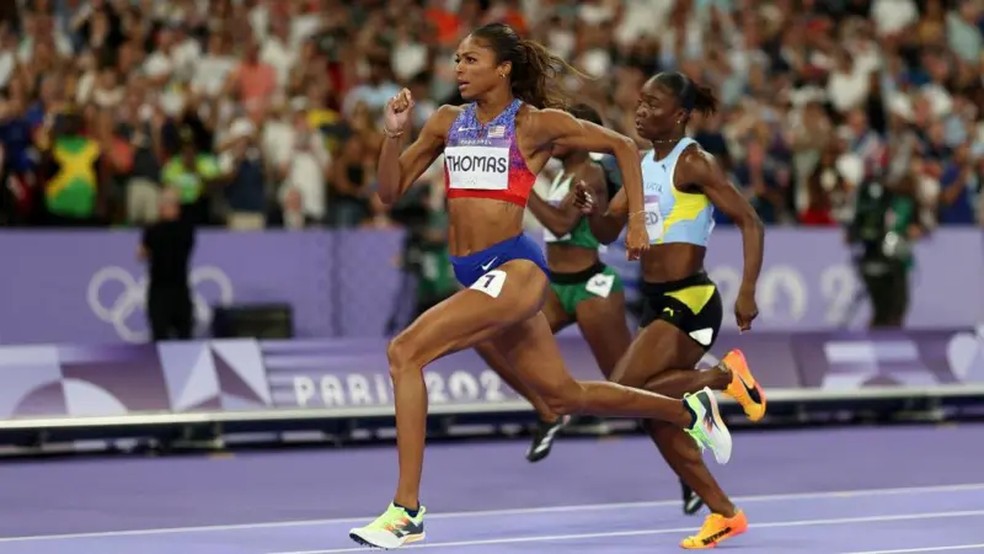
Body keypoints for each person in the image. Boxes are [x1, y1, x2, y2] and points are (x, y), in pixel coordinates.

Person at [348, 24, 733, 550]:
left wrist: (638, 221)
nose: (458, 68)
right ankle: (685, 409)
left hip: (517, 269)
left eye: (471, 60)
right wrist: (394, 134)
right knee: (563, 394)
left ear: (502, 69)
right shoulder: (445, 122)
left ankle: (406, 510)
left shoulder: (536, 125)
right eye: (457, 60)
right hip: (476, 271)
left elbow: (621, 144)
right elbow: (389, 191)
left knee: (404, 351)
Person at [573, 71, 767, 549]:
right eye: (638, 102)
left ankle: (719, 380)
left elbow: (751, 221)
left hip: (691, 298)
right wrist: (590, 206)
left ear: (678, 115)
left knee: (620, 389)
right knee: (652, 414)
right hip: (656, 303)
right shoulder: (639, 166)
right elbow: (603, 232)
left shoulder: (694, 162)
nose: (640, 111)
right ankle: (725, 513)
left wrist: (747, 291)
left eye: (652, 104)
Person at [473, 103, 631, 463]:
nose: (551, 136)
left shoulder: (589, 173)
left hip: (592, 288)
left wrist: (521, 186)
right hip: (556, 288)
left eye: (561, 131)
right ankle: (547, 409)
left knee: (629, 384)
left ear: (581, 135)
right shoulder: (559, 174)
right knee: (487, 336)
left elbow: (561, 225)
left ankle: (689, 422)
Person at [138, 188, 195, 341]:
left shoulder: (153, 230)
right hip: (178, 289)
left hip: (162, 291)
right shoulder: (187, 229)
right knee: (184, 337)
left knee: (161, 338)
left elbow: (141, 254)